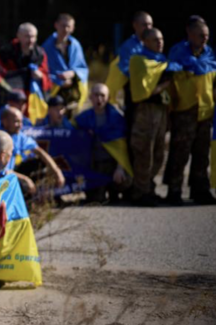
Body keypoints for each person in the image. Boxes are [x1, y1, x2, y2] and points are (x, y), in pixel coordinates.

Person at [165, 20, 216, 205]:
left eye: (207, 36)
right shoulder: (178, 52)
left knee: (202, 153)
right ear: (190, 33)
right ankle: (174, 190)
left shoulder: (209, 53)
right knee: (180, 152)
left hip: (205, 110)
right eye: (201, 35)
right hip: (184, 110)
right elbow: (170, 80)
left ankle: (200, 190)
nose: (205, 39)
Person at [128, 27, 175, 206]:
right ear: (145, 42)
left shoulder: (163, 61)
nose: (160, 43)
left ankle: (149, 187)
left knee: (158, 153)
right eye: (156, 40)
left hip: (161, 111)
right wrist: (164, 83)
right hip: (145, 112)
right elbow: (142, 91)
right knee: (144, 152)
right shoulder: (138, 60)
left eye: (161, 39)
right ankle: (140, 192)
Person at [74, 84, 133, 203]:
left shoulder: (116, 118)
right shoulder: (83, 118)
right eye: (96, 95)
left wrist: (120, 168)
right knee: (95, 199)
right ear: (90, 97)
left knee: (125, 181)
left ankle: (115, 190)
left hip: (112, 164)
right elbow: (68, 132)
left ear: (108, 97)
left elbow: (121, 146)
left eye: (102, 95)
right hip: (94, 165)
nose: (99, 99)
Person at [0, 23, 52, 122]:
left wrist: (40, 76)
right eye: (27, 36)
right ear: (18, 36)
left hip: (31, 99)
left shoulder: (40, 53)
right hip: (10, 96)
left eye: (33, 37)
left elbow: (47, 77)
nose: (30, 40)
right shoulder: (6, 52)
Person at [0, 107, 65, 195]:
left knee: (40, 163)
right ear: (5, 122)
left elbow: (40, 151)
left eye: (21, 121)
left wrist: (57, 172)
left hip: (11, 173)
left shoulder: (19, 135)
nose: (20, 125)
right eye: (16, 121)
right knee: (23, 184)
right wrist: (26, 179)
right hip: (0, 178)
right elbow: (2, 170)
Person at [42, 14, 89, 111]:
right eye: (63, 26)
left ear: (73, 28)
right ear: (56, 25)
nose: (66, 29)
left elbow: (82, 68)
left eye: (69, 27)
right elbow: (44, 71)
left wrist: (72, 73)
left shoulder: (75, 45)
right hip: (54, 92)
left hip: (73, 91)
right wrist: (59, 81)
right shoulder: (47, 46)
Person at [106, 11, 154, 99]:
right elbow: (125, 68)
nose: (148, 28)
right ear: (135, 25)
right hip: (134, 92)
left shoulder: (156, 43)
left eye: (150, 24)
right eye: (144, 25)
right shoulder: (128, 47)